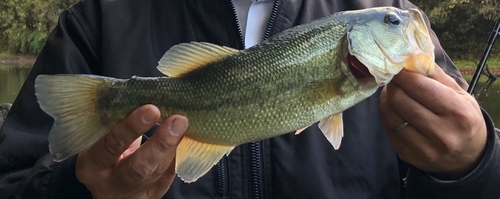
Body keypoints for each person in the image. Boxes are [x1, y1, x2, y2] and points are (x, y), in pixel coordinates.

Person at [0, 0, 498, 198]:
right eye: (391, 22)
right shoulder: (98, 19)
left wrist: (472, 165)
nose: (401, 24)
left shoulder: (383, 15)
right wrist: (79, 189)